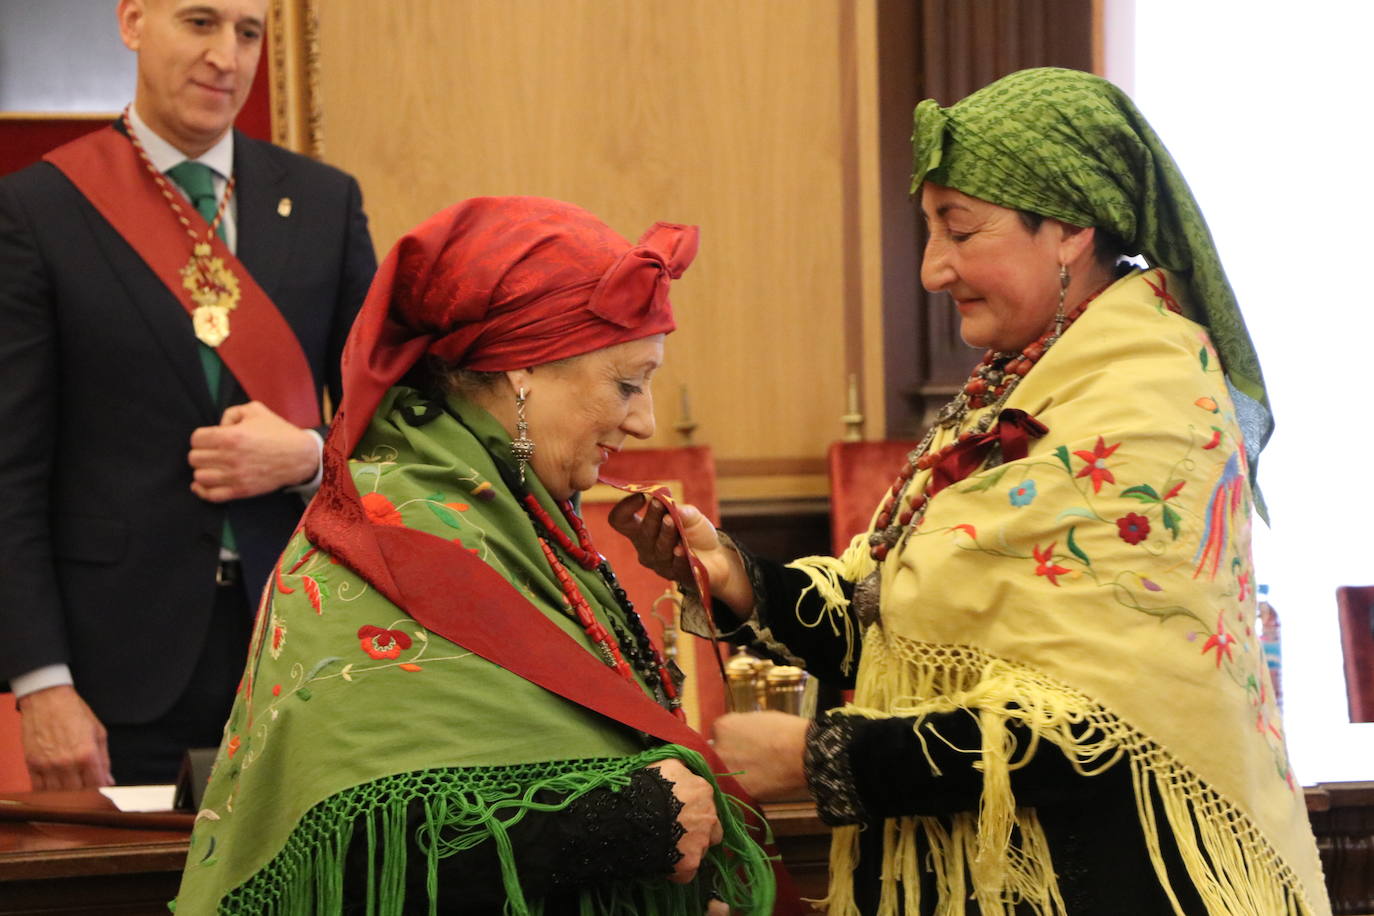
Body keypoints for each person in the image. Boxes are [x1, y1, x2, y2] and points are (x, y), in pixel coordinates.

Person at [613, 68, 1330, 915]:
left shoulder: (1152, 404)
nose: (931, 270)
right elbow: (893, 615)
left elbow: (1093, 731)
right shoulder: (1022, 382)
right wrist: (733, 574)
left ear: (1068, 228)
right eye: (930, 231)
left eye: (960, 231)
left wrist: (819, 756)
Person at [173, 196, 793, 914]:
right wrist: (625, 823)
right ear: (523, 373)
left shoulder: (515, 506)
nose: (646, 420)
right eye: (627, 382)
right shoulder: (381, 542)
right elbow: (354, 851)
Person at [0, 0, 376, 788]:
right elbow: (10, 467)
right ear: (133, 21)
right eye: (199, 23)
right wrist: (41, 682)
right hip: (115, 670)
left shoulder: (324, 203)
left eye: (247, 32)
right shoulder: (37, 210)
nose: (227, 58)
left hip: (303, 645)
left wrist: (308, 457)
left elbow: (394, 424)